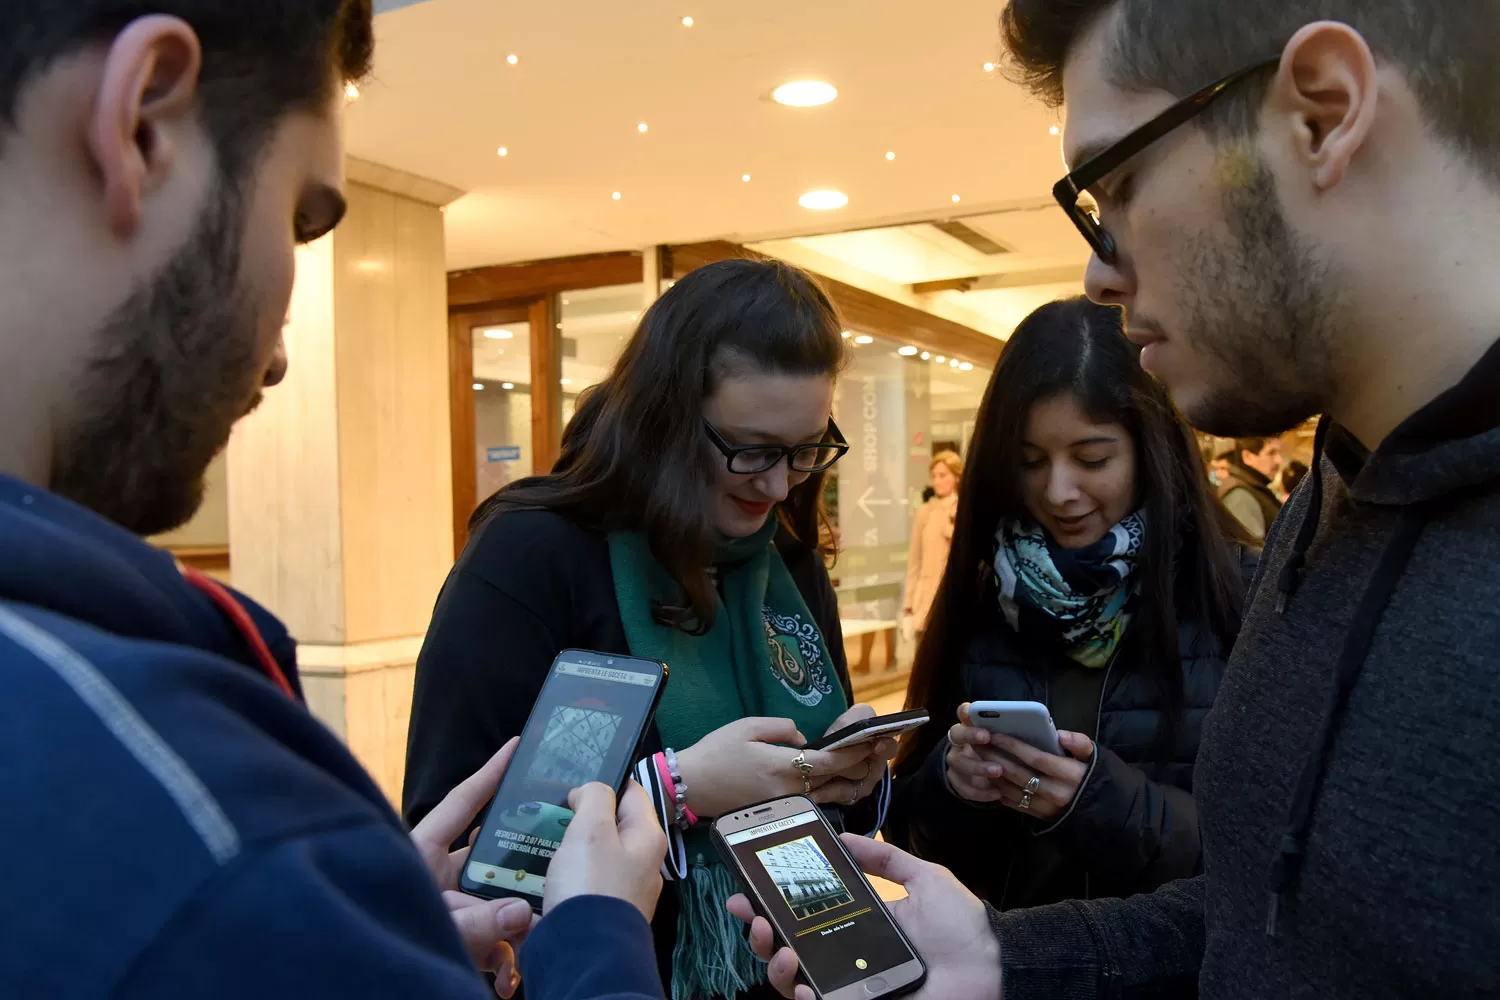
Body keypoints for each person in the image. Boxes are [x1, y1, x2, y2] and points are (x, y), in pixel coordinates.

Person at [741, 0, 1500, 996]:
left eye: (1119, 184)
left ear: (1321, 112)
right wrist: (1007, 955)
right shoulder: (1324, 511)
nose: (1099, 273)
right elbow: (1256, 922)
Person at [0, 4, 668, 998]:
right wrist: (598, 936)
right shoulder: (197, 815)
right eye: (297, 222)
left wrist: (362, 928)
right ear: (144, 121)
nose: (276, 357)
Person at [404, 258, 898, 1000]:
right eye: (751, 449)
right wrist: (676, 790)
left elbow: (824, 814)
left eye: (804, 451)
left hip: (793, 967)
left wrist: (842, 772)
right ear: (664, 418)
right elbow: (461, 841)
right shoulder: (534, 555)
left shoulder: (786, 558)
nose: (776, 484)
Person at [886, 297, 1252, 911]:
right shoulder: (983, 598)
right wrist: (953, 787)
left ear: (1152, 448)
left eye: (1092, 459)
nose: (1058, 492)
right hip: (1011, 967)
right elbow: (913, 833)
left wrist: (1096, 802)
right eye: (1030, 462)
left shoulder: (1240, 596)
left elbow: (1269, 852)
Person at [902, 450, 963, 639]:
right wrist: (909, 601)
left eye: (943, 475)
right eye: (934, 476)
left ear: (956, 477)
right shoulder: (925, 512)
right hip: (926, 595)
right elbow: (915, 560)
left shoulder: (964, 510)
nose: (937, 481)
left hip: (953, 595)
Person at [1218, 437, 1284, 539]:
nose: (1279, 460)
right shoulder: (1239, 495)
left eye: (1279, 452)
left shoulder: (1252, 488)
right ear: (1247, 456)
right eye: (1271, 453)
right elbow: (1252, 551)